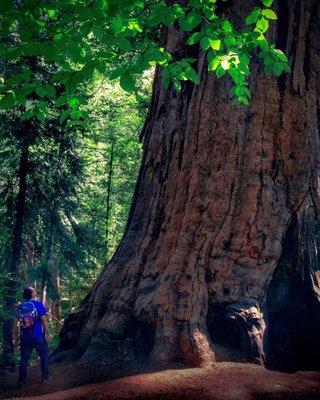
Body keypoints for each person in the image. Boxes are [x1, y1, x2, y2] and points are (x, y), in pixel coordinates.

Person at [12, 287, 50, 387]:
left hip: (25, 338)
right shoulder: (38, 305)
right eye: (33, 290)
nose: (35, 291)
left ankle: (21, 381)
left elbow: (15, 324)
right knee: (44, 356)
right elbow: (44, 321)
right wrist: (47, 334)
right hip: (38, 336)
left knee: (24, 359)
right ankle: (45, 377)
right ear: (32, 294)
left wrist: (15, 338)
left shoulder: (20, 307)